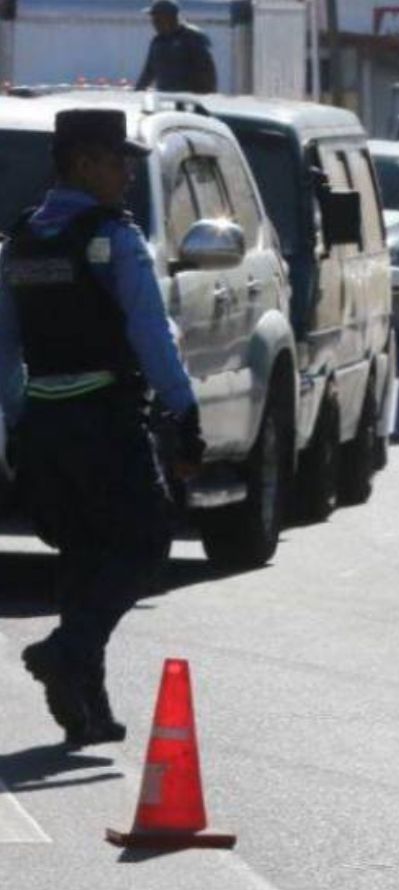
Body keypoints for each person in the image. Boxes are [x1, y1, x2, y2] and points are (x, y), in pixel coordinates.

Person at [0, 108, 203, 748]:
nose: (125, 175)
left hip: (43, 427)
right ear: (84, 162)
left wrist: (17, 422)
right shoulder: (115, 238)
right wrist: (184, 409)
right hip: (107, 419)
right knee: (143, 544)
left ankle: (87, 706)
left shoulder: (21, 240)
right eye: (117, 161)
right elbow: (150, 332)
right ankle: (69, 650)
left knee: (86, 557)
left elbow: (4, 348)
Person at [135, 0, 217, 94]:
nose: (153, 22)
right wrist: (137, 92)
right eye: (153, 19)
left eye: (157, 18)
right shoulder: (157, 41)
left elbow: (207, 71)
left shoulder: (193, 37)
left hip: (191, 99)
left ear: (169, 17)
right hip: (165, 98)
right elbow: (148, 72)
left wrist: (207, 98)